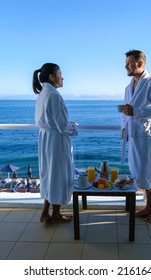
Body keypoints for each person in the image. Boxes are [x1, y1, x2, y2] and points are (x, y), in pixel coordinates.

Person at [121, 50, 151, 223]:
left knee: (149, 170)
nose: (126, 65)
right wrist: (124, 127)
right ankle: (148, 206)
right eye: (126, 62)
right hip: (133, 133)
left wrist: (137, 111)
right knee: (139, 171)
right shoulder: (128, 87)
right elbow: (125, 110)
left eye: (130, 62)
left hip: (147, 134)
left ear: (140, 64)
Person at [33, 63, 78, 223]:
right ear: (52, 77)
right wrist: (73, 127)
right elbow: (62, 126)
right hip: (56, 141)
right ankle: (56, 214)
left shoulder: (42, 93)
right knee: (58, 175)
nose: (62, 77)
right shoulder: (54, 95)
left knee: (48, 174)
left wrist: (64, 123)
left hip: (45, 138)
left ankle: (45, 212)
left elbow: (51, 120)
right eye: (60, 74)